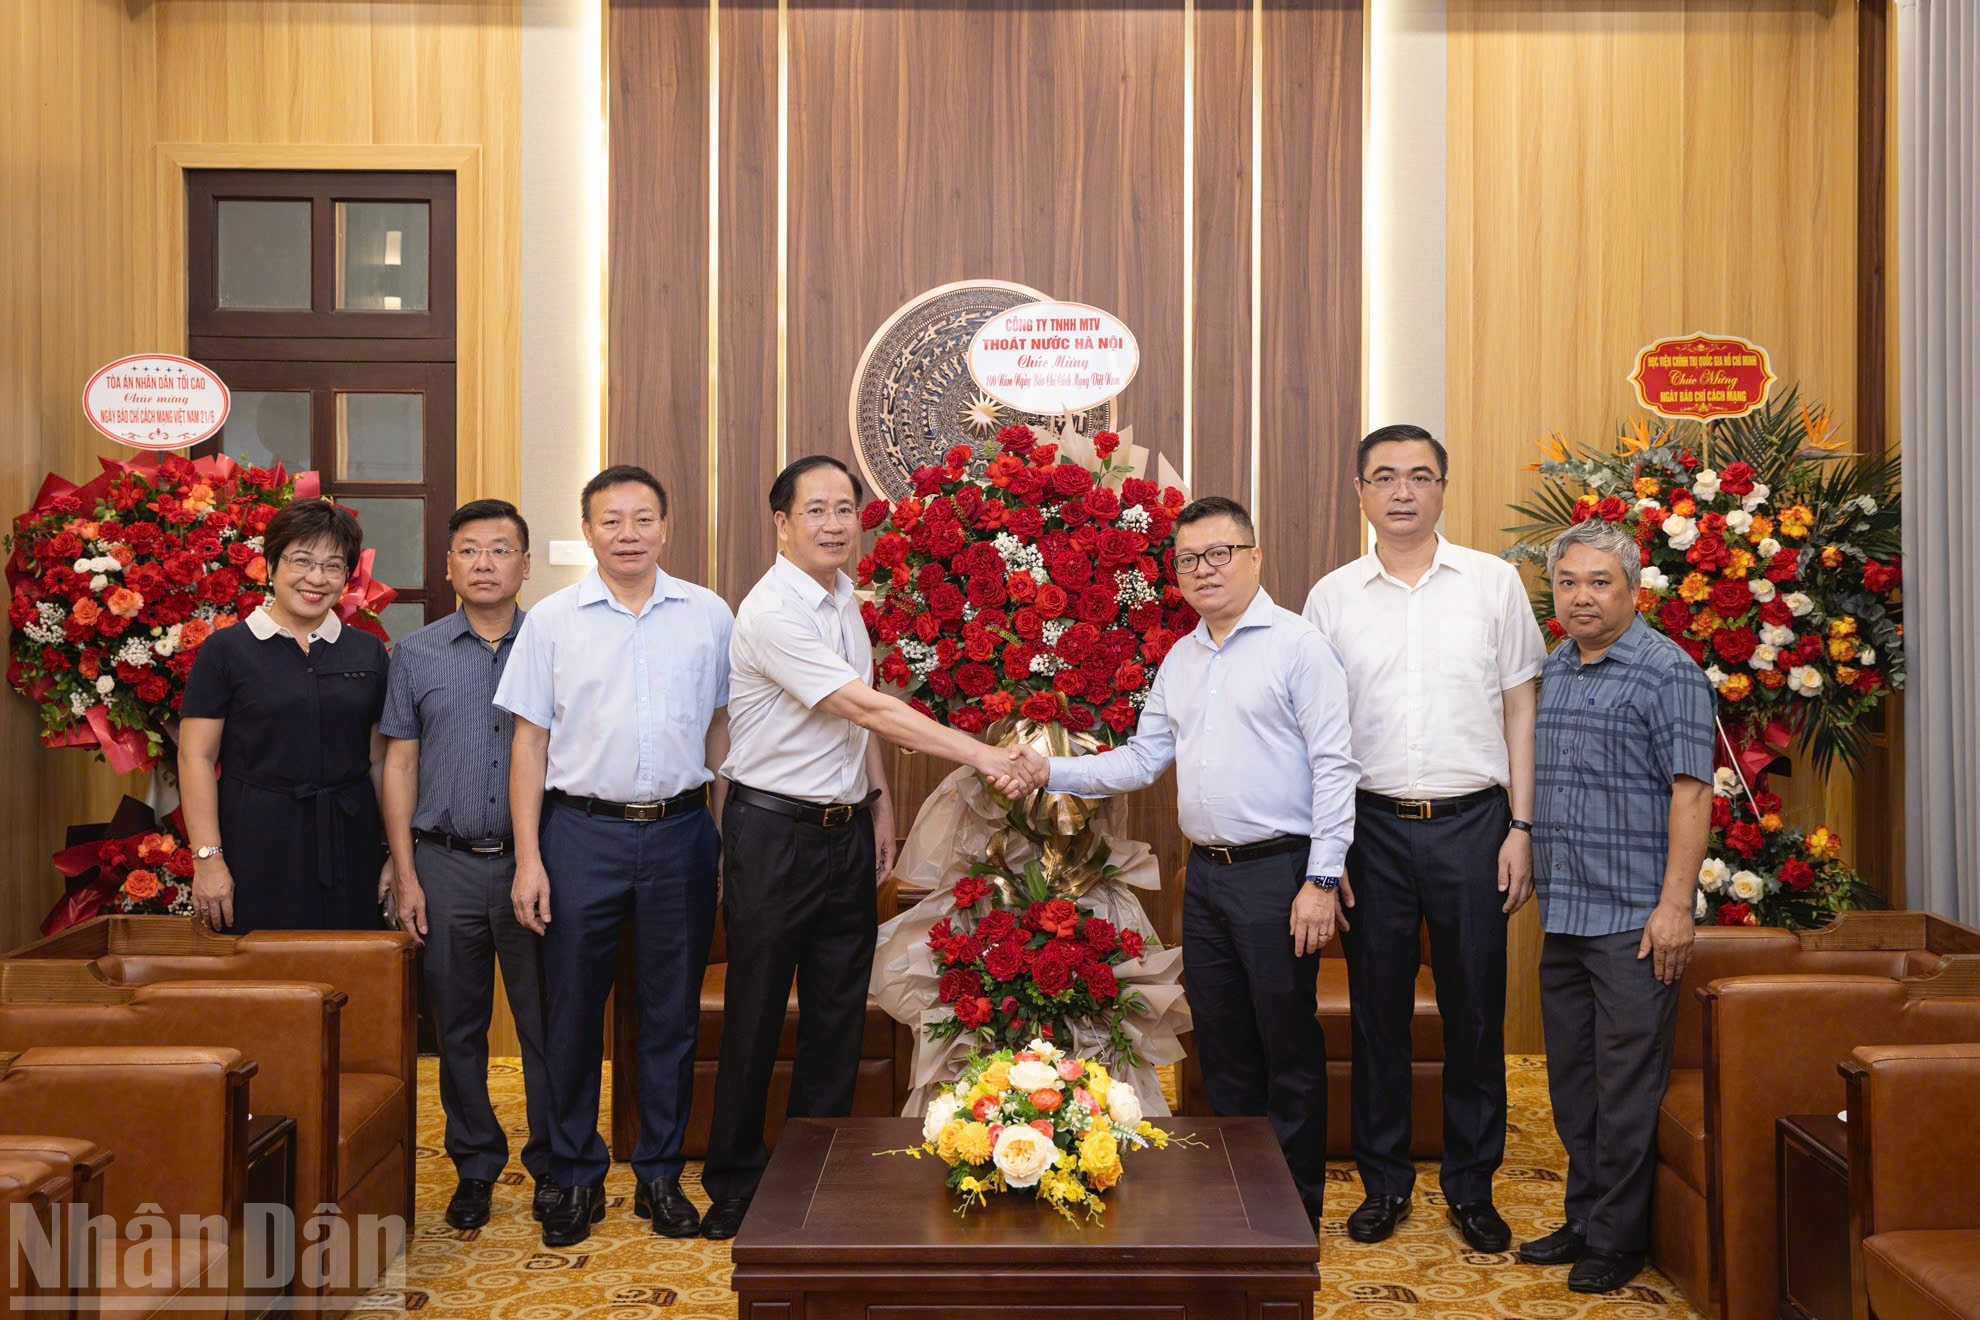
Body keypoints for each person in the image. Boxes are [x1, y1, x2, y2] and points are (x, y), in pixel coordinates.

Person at [698, 454, 1029, 1240]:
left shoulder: (844, 598)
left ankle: (817, 1168)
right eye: (815, 510)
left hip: (842, 833)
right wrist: (981, 754)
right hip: (773, 832)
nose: (834, 524)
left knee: (840, 1009)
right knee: (755, 1010)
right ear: (781, 523)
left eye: (845, 508)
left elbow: (853, 723)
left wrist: (878, 803)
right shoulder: (773, 610)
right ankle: (736, 1182)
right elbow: (864, 704)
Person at [1008, 494, 1358, 1233]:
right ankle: (1237, 1195)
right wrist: (1050, 771)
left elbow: (1335, 766)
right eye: (1189, 559)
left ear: (1255, 557)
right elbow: (1142, 760)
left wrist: (1322, 879)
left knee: (1286, 1043)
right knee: (1221, 1045)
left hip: (1280, 873)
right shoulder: (1183, 655)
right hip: (1205, 879)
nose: (1205, 570)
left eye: (1220, 553)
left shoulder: (1299, 646)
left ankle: (1292, 1210)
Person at [1301, 424, 1544, 1253]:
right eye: (1384, 477)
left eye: (1420, 476)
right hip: (1372, 828)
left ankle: (1472, 1189)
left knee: (1477, 1012)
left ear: (1443, 487)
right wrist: (1329, 853)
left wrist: (1521, 824)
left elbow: (1521, 707)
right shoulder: (1332, 596)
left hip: (1476, 823)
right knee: (1378, 1016)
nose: (1402, 491)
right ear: (1360, 492)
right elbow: (1319, 731)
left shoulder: (1493, 583)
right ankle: (1384, 1184)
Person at [494, 465, 734, 1248]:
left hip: (680, 834)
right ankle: (573, 1176)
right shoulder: (554, 620)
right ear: (588, 529)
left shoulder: (708, 614)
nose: (627, 534)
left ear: (666, 527)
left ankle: (659, 1176)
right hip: (578, 834)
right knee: (571, 1013)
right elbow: (528, 745)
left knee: (669, 1014)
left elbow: (724, 733)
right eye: (610, 521)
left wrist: (719, 834)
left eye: (642, 519)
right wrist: (529, 859)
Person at [1520, 519, 1712, 1294]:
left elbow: (1692, 792)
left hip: (1635, 919)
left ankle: (1618, 1239)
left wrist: (1676, 907)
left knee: (1626, 1087)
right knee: (1572, 1080)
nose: (1581, 597)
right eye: (1568, 582)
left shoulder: (1669, 673)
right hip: (1565, 913)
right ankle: (1584, 1216)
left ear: (1635, 589)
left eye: (1599, 582)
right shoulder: (1558, 665)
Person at [381, 498, 556, 1231]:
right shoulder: (416, 652)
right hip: (445, 863)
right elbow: (398, 762)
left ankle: (555, 1164)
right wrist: (406, 871)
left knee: (548, 1023)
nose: (484, 564)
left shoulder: (554, 643)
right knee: (457, 1025)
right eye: (470, 551)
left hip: (535, 864)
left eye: (500, 550)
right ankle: (475, 1164)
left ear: (525, 563)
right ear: (449, 565)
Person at [180, 498, 390, 933]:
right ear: (271, 565)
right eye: (301, 561)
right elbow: (196, 758)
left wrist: (395, 856)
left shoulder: (367, 651)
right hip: (256, 838)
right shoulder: (226, 650)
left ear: (347, 577)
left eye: (333, 566)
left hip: (351, 840)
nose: (316, 578)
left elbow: (381, 761)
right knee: (263, 979)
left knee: (354, 972)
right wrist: (208, 859)